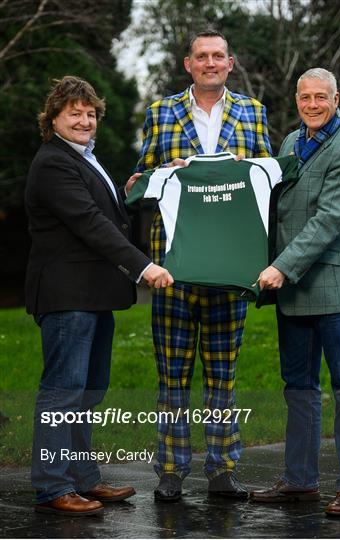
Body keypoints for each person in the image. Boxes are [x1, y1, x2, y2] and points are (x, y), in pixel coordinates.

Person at [133, 30, 272, 501]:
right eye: (201, 57)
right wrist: (158, 173)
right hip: (173, 265)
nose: (210, 63)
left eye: (218, 56)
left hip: (232, 268)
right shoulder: (159, 112)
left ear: (230, 63)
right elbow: (143, 179)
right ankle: (171, 471)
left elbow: (269, 179)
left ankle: (222, 470)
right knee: (172, 374)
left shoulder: (253, 112)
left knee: (222, 375)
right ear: (188, 64)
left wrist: (245, 163)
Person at [25, 76, 173, 516]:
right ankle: (53, 485)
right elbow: (89, 222)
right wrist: (144, 265)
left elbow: (104, 214)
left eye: (90, 113)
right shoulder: (53, 162)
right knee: (64, 394)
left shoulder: (84, 159)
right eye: (75, 113)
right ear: (53, 120)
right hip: (67, 296)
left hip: (92, 296)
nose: (85, 120)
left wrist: (134, 192)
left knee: (88, 392)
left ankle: (83, 479)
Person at [250, 68, 340, 517]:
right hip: (294, 290)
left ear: (337, 98)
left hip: (334, 288)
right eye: (306, 97)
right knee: (298, 388)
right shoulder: (289, 143)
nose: (313, 105)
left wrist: (281, 267)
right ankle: (300, 482)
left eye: (322, 97)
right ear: (296, 99)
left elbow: (327, 221)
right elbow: (274, 205)